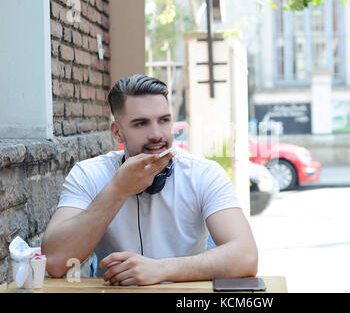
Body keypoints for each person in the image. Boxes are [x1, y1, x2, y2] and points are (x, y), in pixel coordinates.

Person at [41, 75, 258, 286]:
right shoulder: (87, 174)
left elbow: (246, 256)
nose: (156, 134)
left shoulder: (205, 174)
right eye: (140, 124)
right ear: (117, 132)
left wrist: (160, 269)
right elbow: (55, 262)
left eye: (164, 120)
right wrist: (118, 189)